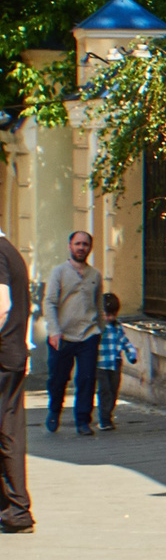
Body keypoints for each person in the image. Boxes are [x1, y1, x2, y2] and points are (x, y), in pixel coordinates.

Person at [41, 230, 102, 434]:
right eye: (77, 244)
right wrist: (54, 331)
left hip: (88, 335)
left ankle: (83, 421)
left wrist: (99, 330)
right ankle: (54, 411)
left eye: (85, 244)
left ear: (89, 248)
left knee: (86, 378)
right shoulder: (59, 272)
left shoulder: (95, 275)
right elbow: (49, 302)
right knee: (57, 379)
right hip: (63, 336)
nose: (81, 248)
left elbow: (98, 304)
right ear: (70, 246)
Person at [0, 225, 31, 533]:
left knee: (7, 432)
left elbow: (2, 305)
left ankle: (17, 509)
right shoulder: (11, 251)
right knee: (9, 429)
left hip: (3, 355)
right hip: (13, 353)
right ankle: (14, 510)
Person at [95, 294, 139, 432]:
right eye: (106, 315)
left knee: (113, 390)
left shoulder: (118, 327)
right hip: (100, 364)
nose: (109, 318)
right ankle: (104, 419)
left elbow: (124, 341)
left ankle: (108, 415)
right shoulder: (97, 328)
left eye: (112, 315)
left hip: (115, 363)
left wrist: (132, 354)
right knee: (105, 391)